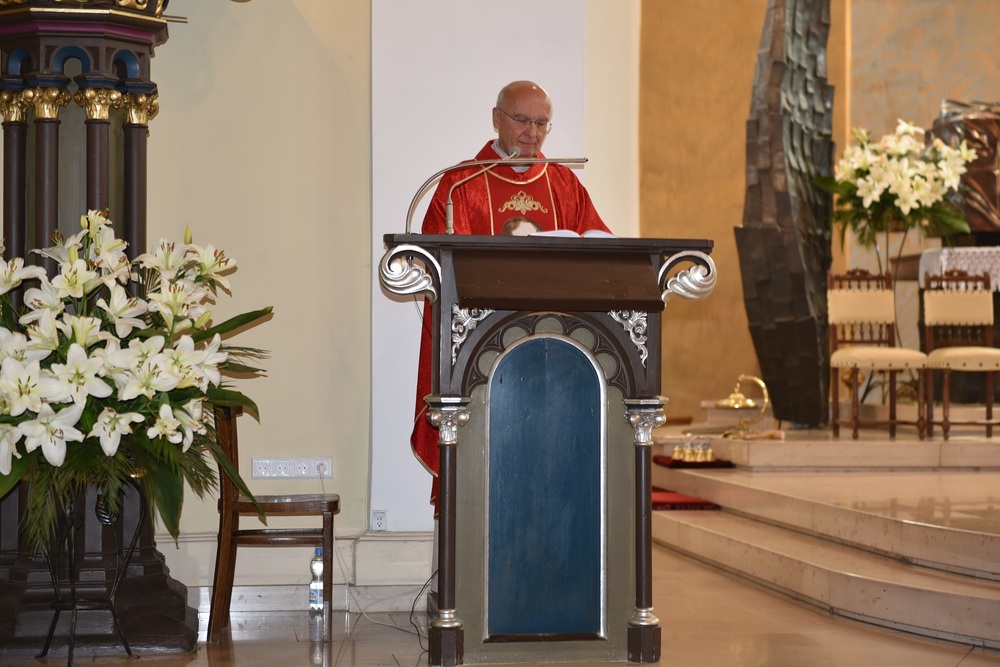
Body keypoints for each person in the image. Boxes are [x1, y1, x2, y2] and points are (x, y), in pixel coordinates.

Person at [411, 80, 612, 510]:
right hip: (482, 356)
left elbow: (600, 249)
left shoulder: (564, 183)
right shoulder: (460, 185)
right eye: (522, 120)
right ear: (496, 119)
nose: (532, 133)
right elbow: (437, 268)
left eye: (542, 123)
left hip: (556, 350)